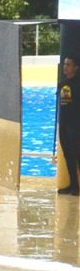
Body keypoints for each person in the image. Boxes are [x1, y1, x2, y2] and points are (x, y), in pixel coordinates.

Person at [60, 56, 80, 196]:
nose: (65, 67)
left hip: (75, 125)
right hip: (65, 125)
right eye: (64, 64)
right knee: (69, 156)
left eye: (68, 64)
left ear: (76, 67)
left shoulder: (76, 84)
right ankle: (74, 185)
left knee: (77, 156)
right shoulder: (64, 84)